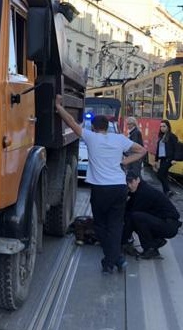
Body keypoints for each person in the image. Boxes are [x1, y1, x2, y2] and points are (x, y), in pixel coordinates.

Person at [55, 94, 147, 274]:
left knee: (100, 226)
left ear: (95, 127)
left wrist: (58, 107)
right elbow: (142, 150)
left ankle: (112, 260)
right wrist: (124, 162)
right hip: (119, 188)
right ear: (106, 127)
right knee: (115, 225)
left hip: (100, 190)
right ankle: (115, 260)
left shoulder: (91, 137)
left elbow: (71, 122)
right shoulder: (119, 139)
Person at [123, 173, 182, 259]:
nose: (129, 185)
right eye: (127, 183)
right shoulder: (138, 190)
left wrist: (122, 240)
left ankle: (150, 247)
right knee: (137, 218)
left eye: (131, 182)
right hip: (164, 222)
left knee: (136, 217)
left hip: (169, 225)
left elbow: (131, 216)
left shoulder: (144, 192)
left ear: (138, 180)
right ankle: (154, 244)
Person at [154, 119, 178, 198]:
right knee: (164, 175)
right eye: (161, 126)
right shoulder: (161, 136)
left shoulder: (172, 136)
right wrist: (156, 160)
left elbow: (176, 148)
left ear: (168, 127)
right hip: (163, 159)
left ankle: (168, 191)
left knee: (160, 175)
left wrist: (174, 159)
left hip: (169, 159)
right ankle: (166, 193)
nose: (162, 128)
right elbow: (158, 149)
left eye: (164, 126)